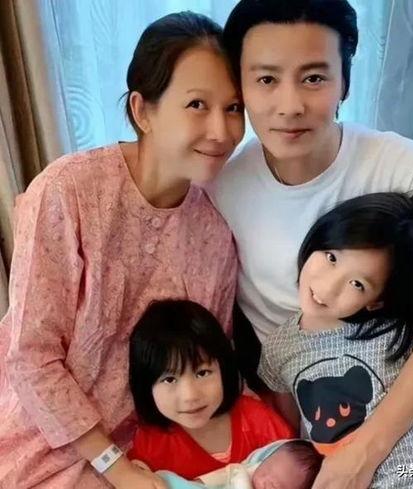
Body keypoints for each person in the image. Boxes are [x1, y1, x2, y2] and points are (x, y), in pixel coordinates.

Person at [208, 0, 413, 485]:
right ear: (239, 86)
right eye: (266, 79)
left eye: (313, 78)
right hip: (318, 415)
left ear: (345, 82)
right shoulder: (221, 190)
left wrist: (366, 452)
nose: (290, 105)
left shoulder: (404, 164)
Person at [0, 12, 244, 488]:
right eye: (197, 104)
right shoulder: (68, 191)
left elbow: (209, 361)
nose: (221, 130)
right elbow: (31, 356)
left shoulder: (215, 233)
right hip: (36, 442)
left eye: (233, 108)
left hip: (150, 455)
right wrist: (115, 466)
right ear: (142, 111)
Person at [259, 190, 413, 488]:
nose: (328, 287)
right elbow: (293, 440)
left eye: (357, 284)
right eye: (331, 257)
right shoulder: (279, 349)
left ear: (376, 301)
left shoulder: (399, 333)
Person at [128, 299, 295, 480]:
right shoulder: (150, 447)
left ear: (224, 368)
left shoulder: (259, 423)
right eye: (169, 379)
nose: (190, 396)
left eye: (202, 373)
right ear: (145, 385)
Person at [157, 439, 323, 489]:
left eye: (276, 487)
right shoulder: (243, 471)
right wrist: (200, 482)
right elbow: (222, 475)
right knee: (166, 480)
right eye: (266, 470)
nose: (264, 482)